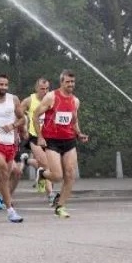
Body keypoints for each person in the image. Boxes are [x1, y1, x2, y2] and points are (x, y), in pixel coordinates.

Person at [33, 70, 90, 219]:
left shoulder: (75, 101)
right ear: (61, 82)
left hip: (69, 140)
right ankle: (42, 174)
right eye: (67, 82)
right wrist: (40, 137)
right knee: (57, 176)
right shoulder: (51, 97)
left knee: (70, 174)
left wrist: (79, 133)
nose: (71, 84)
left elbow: (74, 120)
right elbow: (35, 115)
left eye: (72, 82)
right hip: (52, 140)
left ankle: (60, 206)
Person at [0, 74, 24, 223]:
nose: (3, 87)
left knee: (5, 176)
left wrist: (13, 126)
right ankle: (10, 210)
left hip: (10, 144)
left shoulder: (13, 99)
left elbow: (22, 118)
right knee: (3, 172)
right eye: (0, 84)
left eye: (5, 85)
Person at [20, 78, 51, 194]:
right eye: (42, 89)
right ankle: (51, 195)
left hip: (50, 137)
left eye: (47, 88)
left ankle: (27, 161)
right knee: (46, 164)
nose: (45, 91)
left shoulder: (52, 100)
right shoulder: (29, 100)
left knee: (48, 166)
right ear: (36, 88)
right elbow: (18, 114)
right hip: (35, 137)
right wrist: (23, 128)